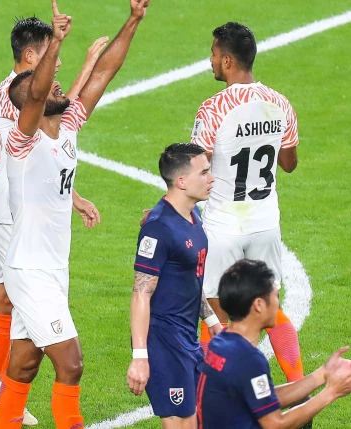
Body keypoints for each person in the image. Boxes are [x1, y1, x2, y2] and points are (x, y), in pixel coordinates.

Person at [0, 1, 149, 427]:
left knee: (24, 364)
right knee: (71, 363)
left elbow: (104, 73)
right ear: (32, 104)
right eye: (50, 87)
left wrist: (133, 20)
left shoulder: (69, 126)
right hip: (30, 270)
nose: (60, 85)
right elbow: (36, 91)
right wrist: (57, 42)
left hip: (53, 267)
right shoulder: (21, 143)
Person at [0, 19, 107, 421]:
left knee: (23, 341)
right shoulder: (14, 91)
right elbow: (47, 105)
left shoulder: (32, 91)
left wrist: (72, 195)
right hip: (8, 212)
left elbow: (58, 120)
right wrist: (79, 59)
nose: (57, 68)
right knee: (7, 300)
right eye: (51, 54)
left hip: (27, 206)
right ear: (31, 55)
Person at [190, 21, 305, 383]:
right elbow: (289, 163)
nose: (210, 61)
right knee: (269, 307)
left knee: (215, 314)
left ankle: (212, 395)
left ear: (227, 61)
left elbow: (197, 170)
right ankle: (299, 385)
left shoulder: (213, 109)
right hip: (265, 223)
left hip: (223, 225)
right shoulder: (279, 103)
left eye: (213, 54)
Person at [126, 143, 221, 428]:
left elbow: (189, 277)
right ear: (181, 181)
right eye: (203, 172)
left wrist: (212, 321)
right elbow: (141, 294)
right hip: (164, 341)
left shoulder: (194, 215)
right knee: (182, 421)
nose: (211, 178)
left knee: (199, 418)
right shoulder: (159, 228)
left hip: (187, 337)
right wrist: (140, 357)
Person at [197, 259, 351, 428]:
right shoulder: (248, 359)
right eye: (275, 296)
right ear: (259, 305)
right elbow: (275, 425)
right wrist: (331, 392)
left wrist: (323, 374)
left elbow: (263, 398)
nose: (278, 303)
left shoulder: (222, 342)